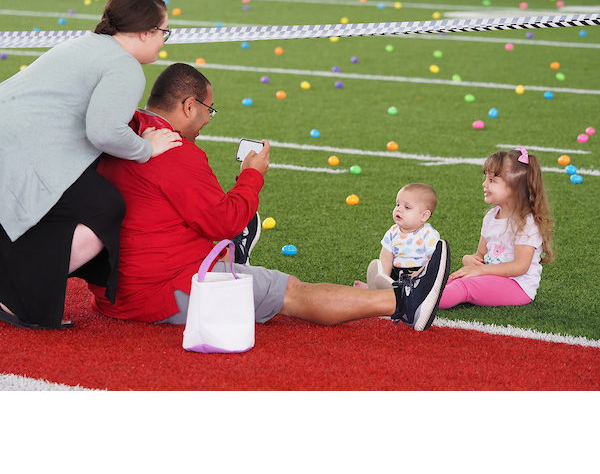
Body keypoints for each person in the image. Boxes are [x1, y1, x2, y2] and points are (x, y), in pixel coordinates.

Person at [90, 62, 451, 332]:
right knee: (291, 291)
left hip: (115, 290)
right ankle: (403, 301)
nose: (208, 119)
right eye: (208, 110)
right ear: (188, 106)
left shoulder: (124, 130)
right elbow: (224, 220)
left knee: (220, 226)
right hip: (159, 291)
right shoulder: (176, 151)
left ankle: (234, 253)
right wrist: (251, 175)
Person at [0, 0, 182, 330]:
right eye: (163, 31)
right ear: (145, 32)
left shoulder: (87, 43)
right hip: (20, 149)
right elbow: (104, 131)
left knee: (71, 205)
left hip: (13, 141)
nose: (163, 40)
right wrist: (146, 148)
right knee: (105, 207)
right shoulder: (125, 66)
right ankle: (19, 295)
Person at [438, 147, 554, 310]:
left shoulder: (527, 223)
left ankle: (419, 303)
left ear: (515, 188)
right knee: (449, 280)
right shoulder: (491, 217)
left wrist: (481, 271)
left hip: (517, 286)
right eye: (486, 178)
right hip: (490, 277)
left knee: (464, 287)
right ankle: (410, 295)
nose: (484, 184)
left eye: (492, 180)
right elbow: (481, 255)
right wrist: (468, 260)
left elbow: (520, 267)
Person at [354, 183, 440, 290]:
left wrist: (418, 274)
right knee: (391, 282)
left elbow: (435, 260)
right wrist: (383, 277)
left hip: (419, 275)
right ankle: (379, 288)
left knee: (413, 289)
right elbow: (386, 258)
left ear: (424, 216)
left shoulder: (428, 234)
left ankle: (390, 292)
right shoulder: (393, 232)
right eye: (398, 204)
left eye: (407, 207)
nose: (399, 209)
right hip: (397, 275)